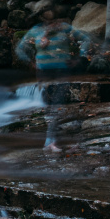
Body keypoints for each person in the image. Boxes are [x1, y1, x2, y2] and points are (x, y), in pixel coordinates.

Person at [14, 10, 97, 152]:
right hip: (43, 75)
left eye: (54, 20)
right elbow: (20, 49)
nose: (52, 24)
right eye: (48, 21)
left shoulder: (65, 28)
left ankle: (51, 141)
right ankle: (51, 140)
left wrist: (80, 58)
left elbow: (86, 39)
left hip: (62, 72)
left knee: (58, 103)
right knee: (50, 107)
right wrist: (31, 61)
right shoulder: (36, 30)